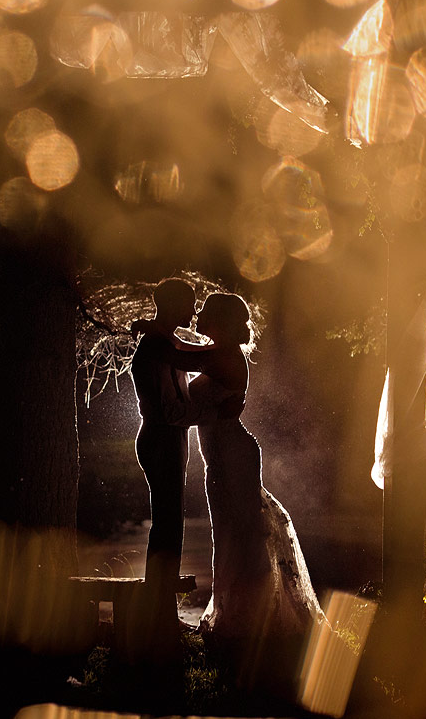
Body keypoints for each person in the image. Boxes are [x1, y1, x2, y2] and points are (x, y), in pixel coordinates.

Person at [135, 291, 328, 697]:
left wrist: (153, 331)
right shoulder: (216, 351)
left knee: (240, 536)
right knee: (231, 537)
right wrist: (156, 331)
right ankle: (241, 621)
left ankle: (250, 625)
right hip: (221, 459)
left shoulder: (219, 357)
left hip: (232, 456)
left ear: (219, 321)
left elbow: (175, 355)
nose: (197, 317)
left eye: (204, 313)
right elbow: (181, 349)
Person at [129, 279, 242, 665]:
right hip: (162, 438)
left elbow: (192, 356)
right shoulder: (154, 351)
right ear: (174, 306)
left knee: (170, 524)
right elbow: (170, 411)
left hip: (171, 439)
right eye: (189, 306)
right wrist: (215, 413)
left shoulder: (167, 344)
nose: (193, 314)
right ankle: (158, 617)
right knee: (166, 526)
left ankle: (161, 614)